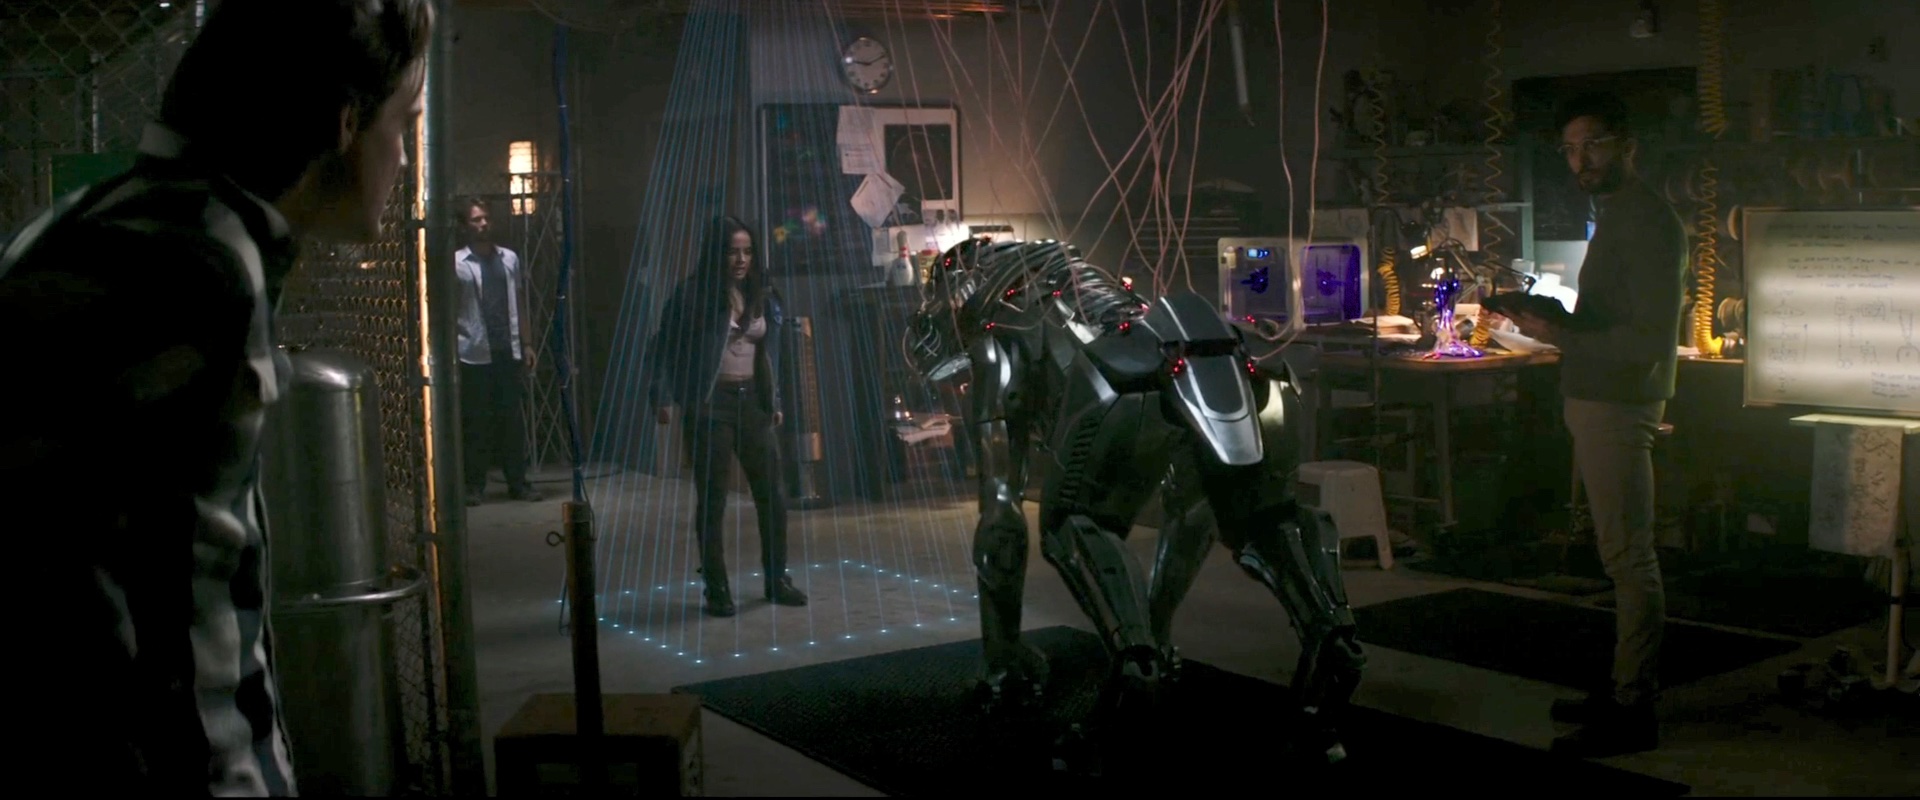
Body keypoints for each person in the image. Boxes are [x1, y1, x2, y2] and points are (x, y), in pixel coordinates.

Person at [0, 0, 432, 794]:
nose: (403, 158)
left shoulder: (98, 217)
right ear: (345, 122)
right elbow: (184, 655)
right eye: (403, 125)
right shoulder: (202, 268)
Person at [1508, 91, 1689, 758]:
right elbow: (1615, 322)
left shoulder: (1647, 221)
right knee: (1619, 554)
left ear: (1628, 147)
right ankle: (1621, 688)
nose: (1580, 160)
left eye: (1593, 145)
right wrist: (1555, 320)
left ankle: (1633, 707)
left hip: (1618, 401)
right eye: (1570, 148)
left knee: (1628, 557)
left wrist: (1557, 333)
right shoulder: (1619, 216)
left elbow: (1645, 341)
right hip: (1597, 397)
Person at [649, 215, 808, 617]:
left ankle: (777, 579)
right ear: (716, 254)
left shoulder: (763, 292)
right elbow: (663, 345)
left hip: (751, 401)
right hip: (710, 404)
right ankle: (716, 587)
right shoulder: (692, 294)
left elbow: (770, 353)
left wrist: (773, 400)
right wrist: (662, 396)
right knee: (713, 498)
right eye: (733, 251)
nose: (741, 259)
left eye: (747, 251)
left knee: (773, 494)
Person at [453, 196, 543, 504]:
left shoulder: (509, 259)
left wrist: (527, 343)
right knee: (476, 422)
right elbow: (450, 307)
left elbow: (519, 300)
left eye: (486, 218)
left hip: (507, 349)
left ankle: (518, 483)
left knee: (511, 422)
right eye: (476, 219)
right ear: (465, 226)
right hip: (473, 351)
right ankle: (474, 486)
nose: (483, 224)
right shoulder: (457, 263)